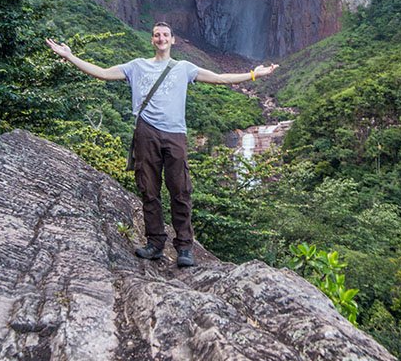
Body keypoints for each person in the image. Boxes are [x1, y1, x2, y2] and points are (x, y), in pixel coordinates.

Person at [46, 23, 278, 267]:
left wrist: (254, 74)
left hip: (176, 133)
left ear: (173, 40)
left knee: (180, 189)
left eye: (165, 35)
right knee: (149, 188)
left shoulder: (184, 68)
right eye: (157, 35)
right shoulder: (136, 66)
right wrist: (70, 56)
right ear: (152, 40)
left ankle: (185, 247)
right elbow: (103, 73)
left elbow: (220, 78)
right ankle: (155, 243)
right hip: (146, 132)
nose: (161, 38)